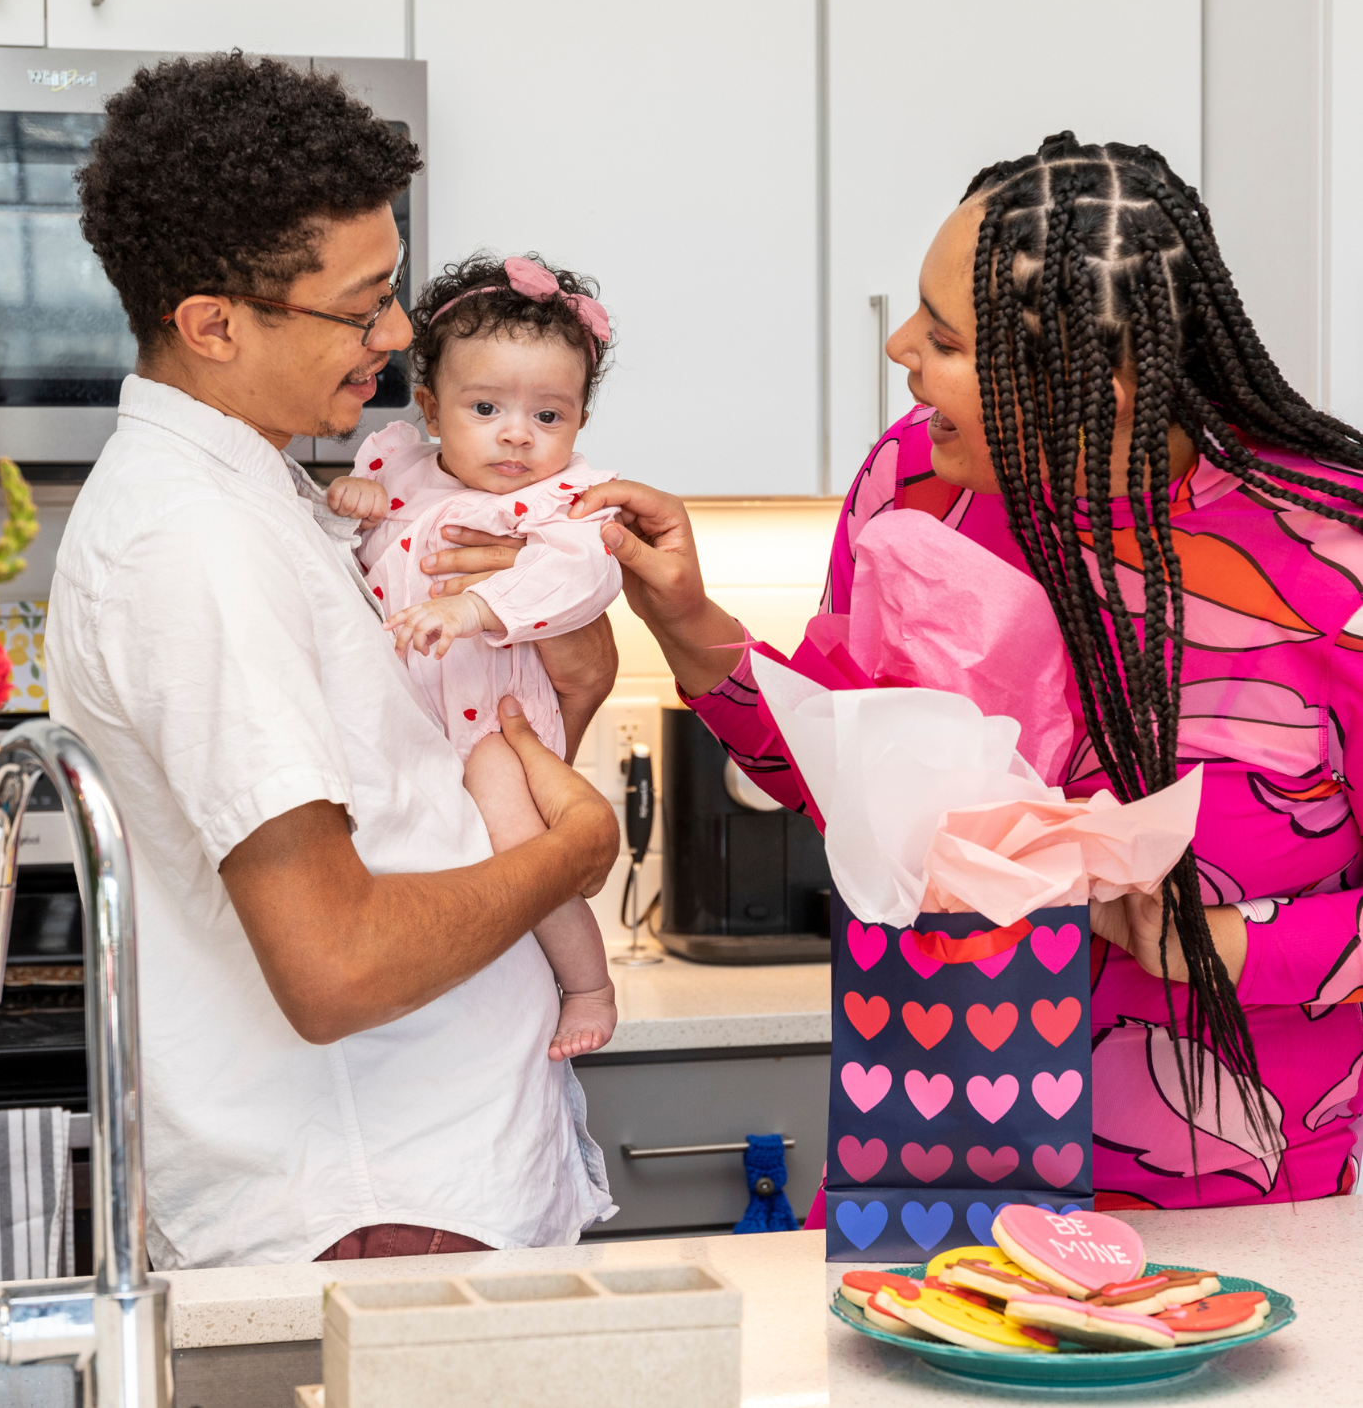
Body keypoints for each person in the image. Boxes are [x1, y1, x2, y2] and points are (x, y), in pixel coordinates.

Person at [533, 132, 1363, 1210]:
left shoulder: (1333, 553)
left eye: (951, 337)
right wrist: (688, 622)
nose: (903, 351)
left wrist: (1221, 946)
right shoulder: (917, 485)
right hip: (934, 1146)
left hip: (1246, 1197)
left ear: (1098, 377)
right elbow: (842, 785)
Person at [47, 53, 621, 1270]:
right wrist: (571, 854)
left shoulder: (271, 501)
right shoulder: (197, 546)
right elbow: (337, 964)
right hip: (372, 1206)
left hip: (419, 1180)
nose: (401, 335)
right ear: (211, 325)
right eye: (363, 307)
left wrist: (570, 672)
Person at [326, 253, 621, 1059]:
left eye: (549, 416)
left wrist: (475, 605)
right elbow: (360, 542)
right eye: (486, 406)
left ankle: (588, 984)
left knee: (523, 848)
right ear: (431, 405)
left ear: (580, 422)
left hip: (495, 727)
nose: (518, 434)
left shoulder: (561, 504)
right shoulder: (397, 469)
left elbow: (584, 574)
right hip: (412, 735)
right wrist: (351, 504)